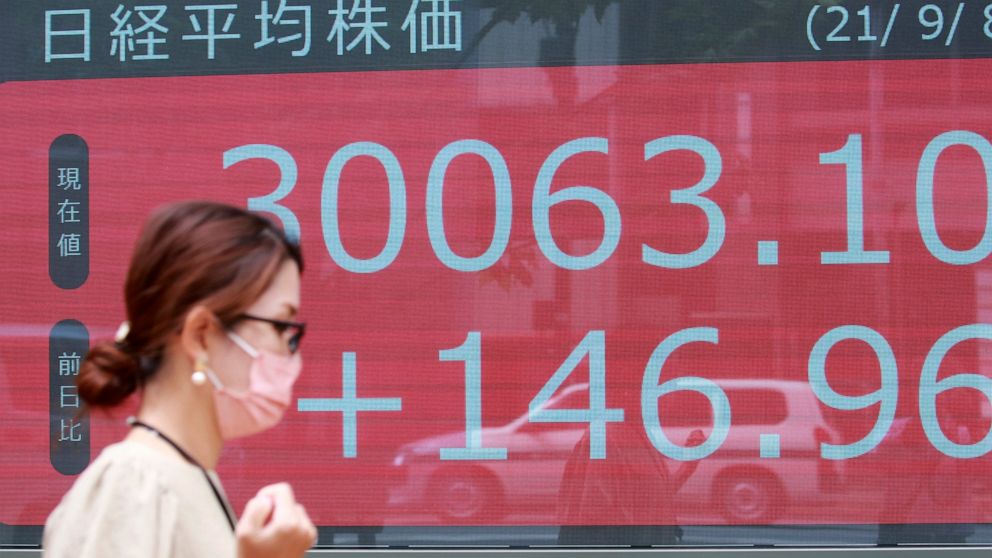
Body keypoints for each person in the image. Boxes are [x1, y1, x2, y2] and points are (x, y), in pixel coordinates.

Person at [43, 201, 317, 558]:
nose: (289, 353)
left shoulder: (180, 476)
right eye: (281, 327)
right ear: (200, 335)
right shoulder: (134, 485)